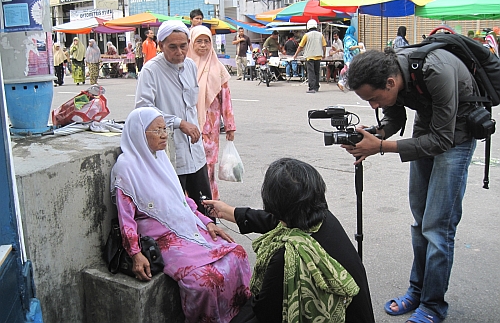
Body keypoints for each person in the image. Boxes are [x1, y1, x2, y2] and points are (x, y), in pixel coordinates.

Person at [341, 48, 477, 323]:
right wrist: (373, 134)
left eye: (374, 99)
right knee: (420, 223)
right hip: (428, 128)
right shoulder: (391, 73)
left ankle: (433, 305)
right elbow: (395, 118)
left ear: (390, 83)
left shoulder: (435, 71)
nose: (374, 106)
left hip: (457, 135)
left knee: (437, 228)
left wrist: (379, 146)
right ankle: (417, 292)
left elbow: (442, 140)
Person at [111, 107, 251, 323]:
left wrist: (206, 222)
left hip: (186, 225)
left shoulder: (161, 159)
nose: (164, 134)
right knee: (202, 281)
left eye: (164, 129)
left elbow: (182, 199)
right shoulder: (127, 168)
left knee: (237, 254)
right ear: (139, 134)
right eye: (156, 130)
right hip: (163, 237)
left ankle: (234, 314)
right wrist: (135, 253)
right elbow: (126, 217)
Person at [203, 158, 375, 323]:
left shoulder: (288, 257)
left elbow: (265, 312)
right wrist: (227, 211)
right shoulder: (320, 217)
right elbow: (272, 221)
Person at [135, 20, 213, 215]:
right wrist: (178, 123)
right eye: (172, 47)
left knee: (205, 207)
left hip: (195, 150)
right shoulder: (150, 70)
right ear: (160, 46)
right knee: (175, 209)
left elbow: (191, 106)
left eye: (183, 46)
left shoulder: (190, 66)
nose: (179, 52)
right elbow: (143, 109)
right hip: (170, 151)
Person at [187, 25, 236, 201]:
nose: (203, 45)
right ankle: (190, 202)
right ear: (191, 42)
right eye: (198, 41)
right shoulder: (184, 67)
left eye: (206, 41)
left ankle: (209, 201)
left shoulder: (218, 69)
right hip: (188, 125)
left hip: (210, 127)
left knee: (208, 166)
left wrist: (230, 126)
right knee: (188, 165)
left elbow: (226, 100)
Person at [293, 19, 326, 93]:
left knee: (311, 72)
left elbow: (300, 46)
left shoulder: (306, 35)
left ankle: (312, 88)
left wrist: (295, 55)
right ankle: (316, 86)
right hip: (318, 56)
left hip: (309, 56)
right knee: (317, 72)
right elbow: (324, 46)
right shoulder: (320, 35)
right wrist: (324, 54)